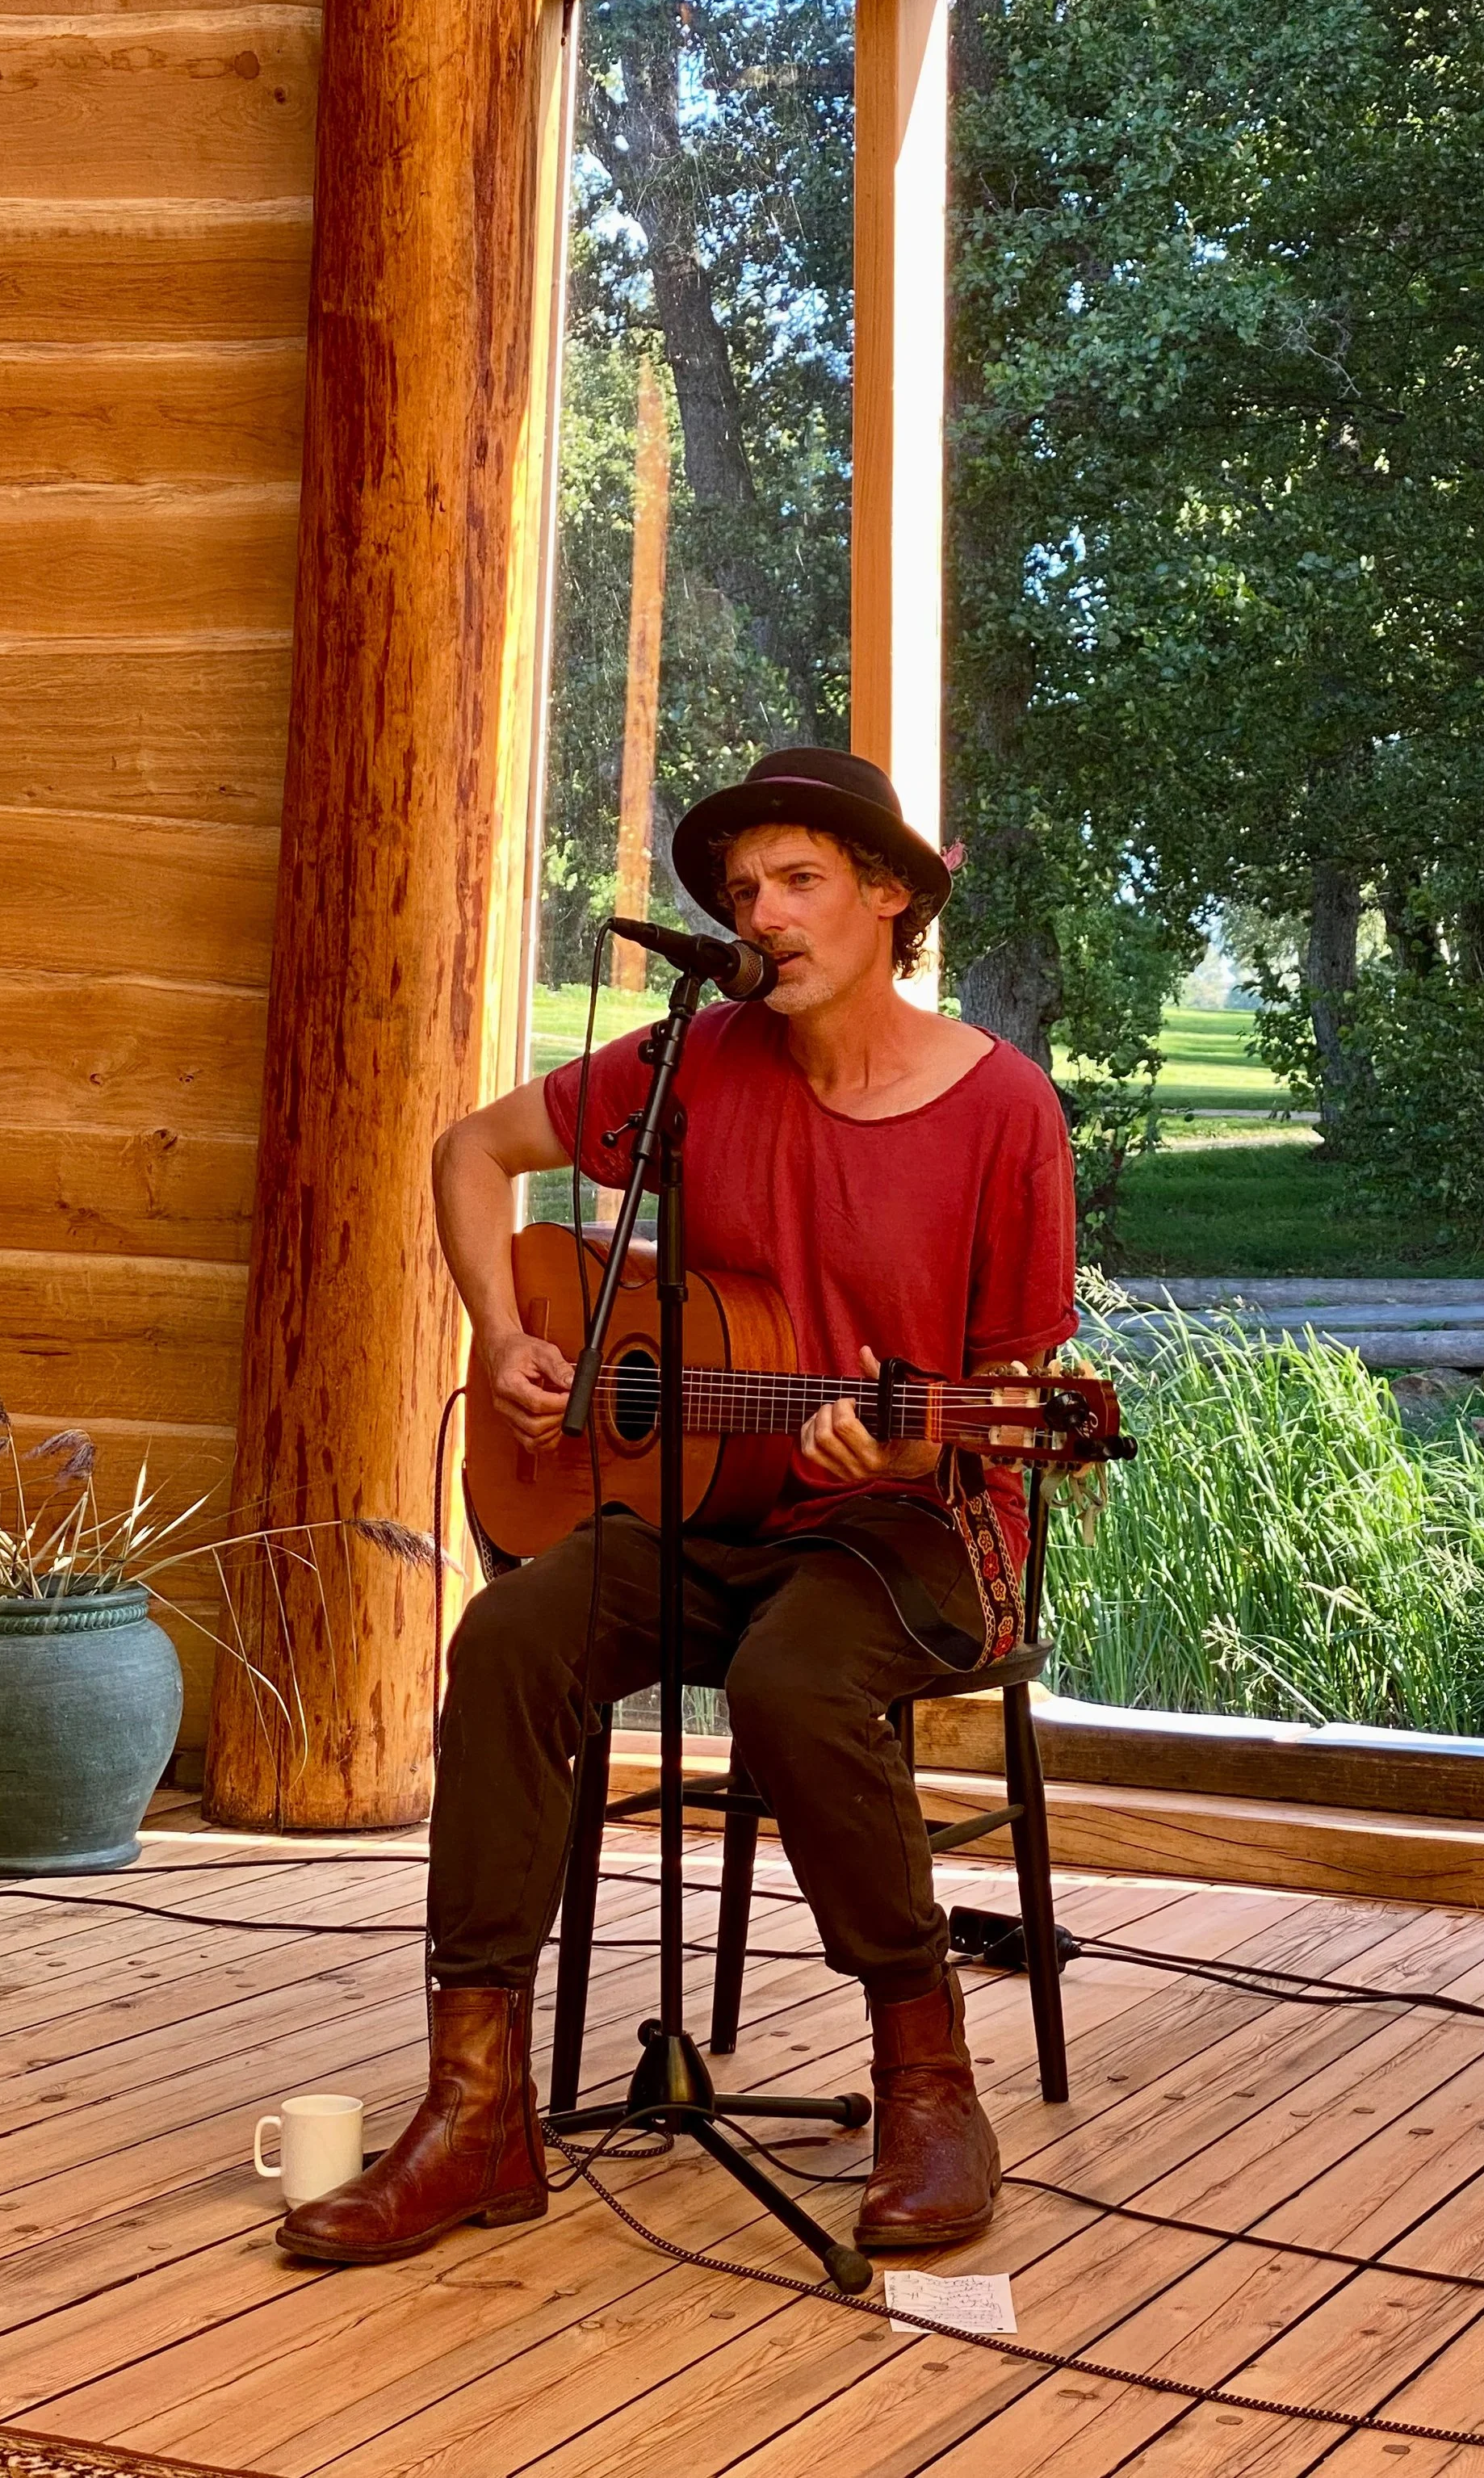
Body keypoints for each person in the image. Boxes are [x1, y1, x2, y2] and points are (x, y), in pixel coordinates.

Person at [276, 747, 1078, 2267]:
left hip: (916, 1530)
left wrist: (915, 1454)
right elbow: (471, 1153)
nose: (759, 914)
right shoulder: (693, 1062)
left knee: (791, 1679)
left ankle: (926, 2079)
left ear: (889, 897)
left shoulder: (1001, 1111)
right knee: (513, 1632)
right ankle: (476, 2110)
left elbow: (1023, 1401)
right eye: (739, 891)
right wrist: (506, 1335)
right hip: (704, 1509)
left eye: (798, 882)